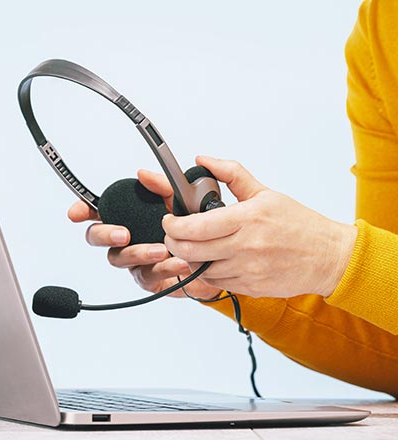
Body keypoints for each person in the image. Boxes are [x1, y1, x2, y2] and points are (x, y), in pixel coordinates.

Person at [67, 0, 398, 397]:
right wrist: (222, 268)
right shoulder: (383, 24)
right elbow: (390, 346)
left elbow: (350, 265)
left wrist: (336, 258)